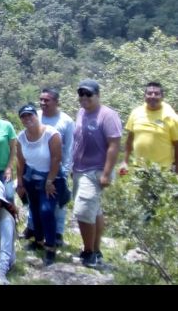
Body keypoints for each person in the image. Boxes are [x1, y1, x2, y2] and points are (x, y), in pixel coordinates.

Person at [72, 79, 122, 268]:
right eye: (81, 94)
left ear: (98, 95)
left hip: (96, 170)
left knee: (83, 211)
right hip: (80, 169)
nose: (84, 97)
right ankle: (96, 250)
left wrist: (106, 173)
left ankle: (88, 252)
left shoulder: (108, 115)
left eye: (88, 94)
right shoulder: (81, 112)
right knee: (95, 211)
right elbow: (78, 141)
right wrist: (73, 166)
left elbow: (114, 145)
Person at [15, 104, 63, 266]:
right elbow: (20, 161)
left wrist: (49, 181)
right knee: (35, 210)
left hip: (51, 179)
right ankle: (38, 241)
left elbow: (56, 158)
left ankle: (51, 247)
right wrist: (20, 182)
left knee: (46, 211)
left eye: (30, 115)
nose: (27, 119)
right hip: (30, 179)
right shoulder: (21, 137)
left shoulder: (51, 134)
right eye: (23, 116)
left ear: (36, 116)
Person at [30, 88, 75, 245]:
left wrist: (67, 169)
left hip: (58, 168)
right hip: (35, 167)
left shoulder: (66, 121)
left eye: (47, 100)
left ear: (56, 102)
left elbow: (69, 147)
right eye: (41, 100)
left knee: (58, 202)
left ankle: (58, 234)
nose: (43, 103)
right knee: (35, 200)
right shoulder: (35, 116)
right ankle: (34, 230)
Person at [121, 81, 178, 174]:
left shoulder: (170, 116)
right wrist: (125, 162)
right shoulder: (136, 113)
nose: (153, 96)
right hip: (139, 169)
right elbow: (129, 140)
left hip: (163, 172)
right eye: (149, 93)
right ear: (144, 96)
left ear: (162, 97)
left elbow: (176, 144)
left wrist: (176, 167)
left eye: (156, 94)